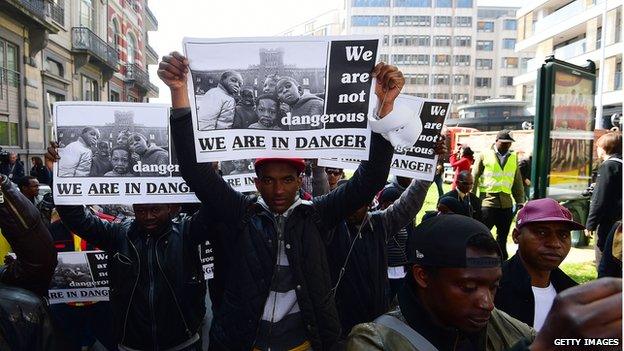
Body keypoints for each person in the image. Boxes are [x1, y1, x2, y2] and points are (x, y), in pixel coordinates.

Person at [159, 51, 403, 350]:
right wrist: (178, 92)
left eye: (287, 180)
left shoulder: (318, 215)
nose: (278, 190)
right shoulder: (241, 214)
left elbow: (371, 179)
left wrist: (385, 108)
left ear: (300, 181)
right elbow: (195, 171)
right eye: (269, 180)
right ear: (256, 182)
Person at [48, 140, 214, 351]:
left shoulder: (187, 232)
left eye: (155, 210)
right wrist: (61, 177)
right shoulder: (118, 234)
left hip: (183, 342)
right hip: (132, 344)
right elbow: (77, 219)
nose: (148, 217)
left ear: (170, 207)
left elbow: (215, 209)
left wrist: (210, 175)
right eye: (141, 210)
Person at [347, 215, 535, 350]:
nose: (487, 303)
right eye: (468, 288)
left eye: (493, 287)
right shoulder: (375, 341)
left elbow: (547, 340)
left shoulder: (490, 318)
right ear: (423, 276)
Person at [495, 198, 582, 331]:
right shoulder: (492, 289)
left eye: (563, 235)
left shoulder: (574, 293)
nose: (555, 244)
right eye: (542, 233)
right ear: (516, 236)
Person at [0, 174, 59, 350]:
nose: (36, 189)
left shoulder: (19, 305)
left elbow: (39, 260)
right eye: (32, 186)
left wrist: (3, 189)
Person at [472, 130, 525, 260]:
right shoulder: (485, 154)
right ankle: (479, 258)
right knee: (482, 234)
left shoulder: (513, 157)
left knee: (502, 237)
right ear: (496, 141)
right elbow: (474, 176)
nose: (507, 145)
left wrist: (519, 200)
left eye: (509, 143)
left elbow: (517, 180)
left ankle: (501, 262)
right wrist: (471, 197)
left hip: (506, 204)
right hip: (488, 202)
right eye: (504, 143)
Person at [586, 131, 622, 268]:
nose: (597, 150)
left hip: (608, 222)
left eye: (598, 147)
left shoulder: (608, 166)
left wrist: (590, 223)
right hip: (620, 221)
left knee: (604, 262)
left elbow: (600, 199)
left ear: (605, 148)